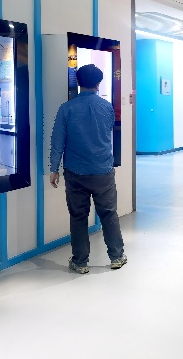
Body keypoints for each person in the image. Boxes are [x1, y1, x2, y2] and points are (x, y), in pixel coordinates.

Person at [50, 64, 127, 274]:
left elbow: (58, 141)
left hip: (75, 172)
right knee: (109, 214)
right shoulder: (107, 107)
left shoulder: (66, 109)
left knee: (78, 217)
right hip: (103, 170)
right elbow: (108, 134)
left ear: (78, 82)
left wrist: (54, 168)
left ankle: (80, 262)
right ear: (98, 83)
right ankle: (116, 256)